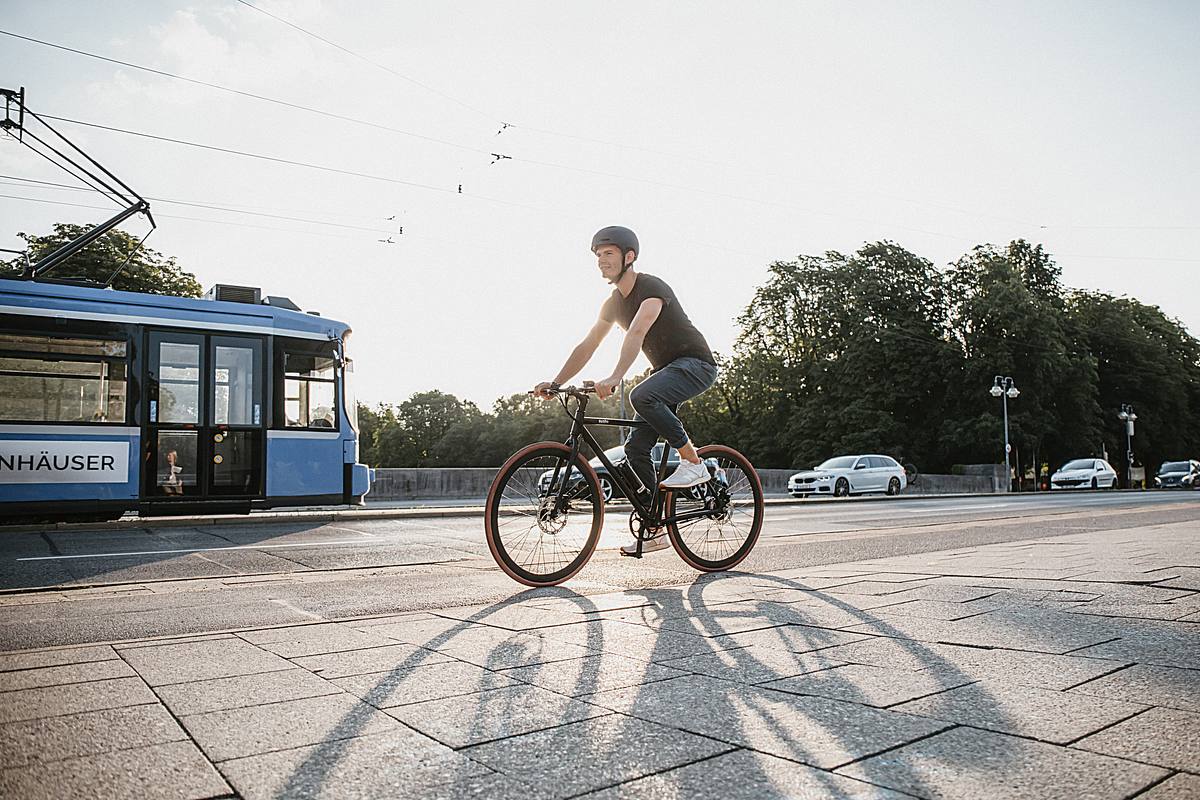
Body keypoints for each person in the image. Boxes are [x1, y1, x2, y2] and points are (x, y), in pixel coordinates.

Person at [535, 226, 719, 555]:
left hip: (696, 364)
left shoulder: (652, 287)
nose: (601, 261)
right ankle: (655, 527)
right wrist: (557, 382)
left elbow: (636, 332)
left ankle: (693, 462)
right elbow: (589, 344)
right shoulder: (612, 304)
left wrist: (616, 376)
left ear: (628, 256)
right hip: (666, 373)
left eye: (608, 254)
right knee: (635, 450)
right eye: (597, 255)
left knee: (642, 395)